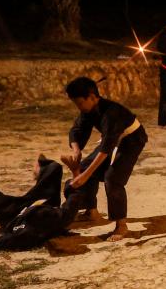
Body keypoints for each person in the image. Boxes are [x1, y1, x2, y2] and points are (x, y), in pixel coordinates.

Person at [63, 77, 148, 241]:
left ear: (93, 97)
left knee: (113, 179)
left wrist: (85, 175)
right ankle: (91, 211)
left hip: (131, 140)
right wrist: (76, 150)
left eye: (80, 103)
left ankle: (121, 226)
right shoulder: (89, 110)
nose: (79, 107)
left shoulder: (111, 113)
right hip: (111, 140)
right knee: (83, 166)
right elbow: (77, 130)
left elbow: (106, 149)